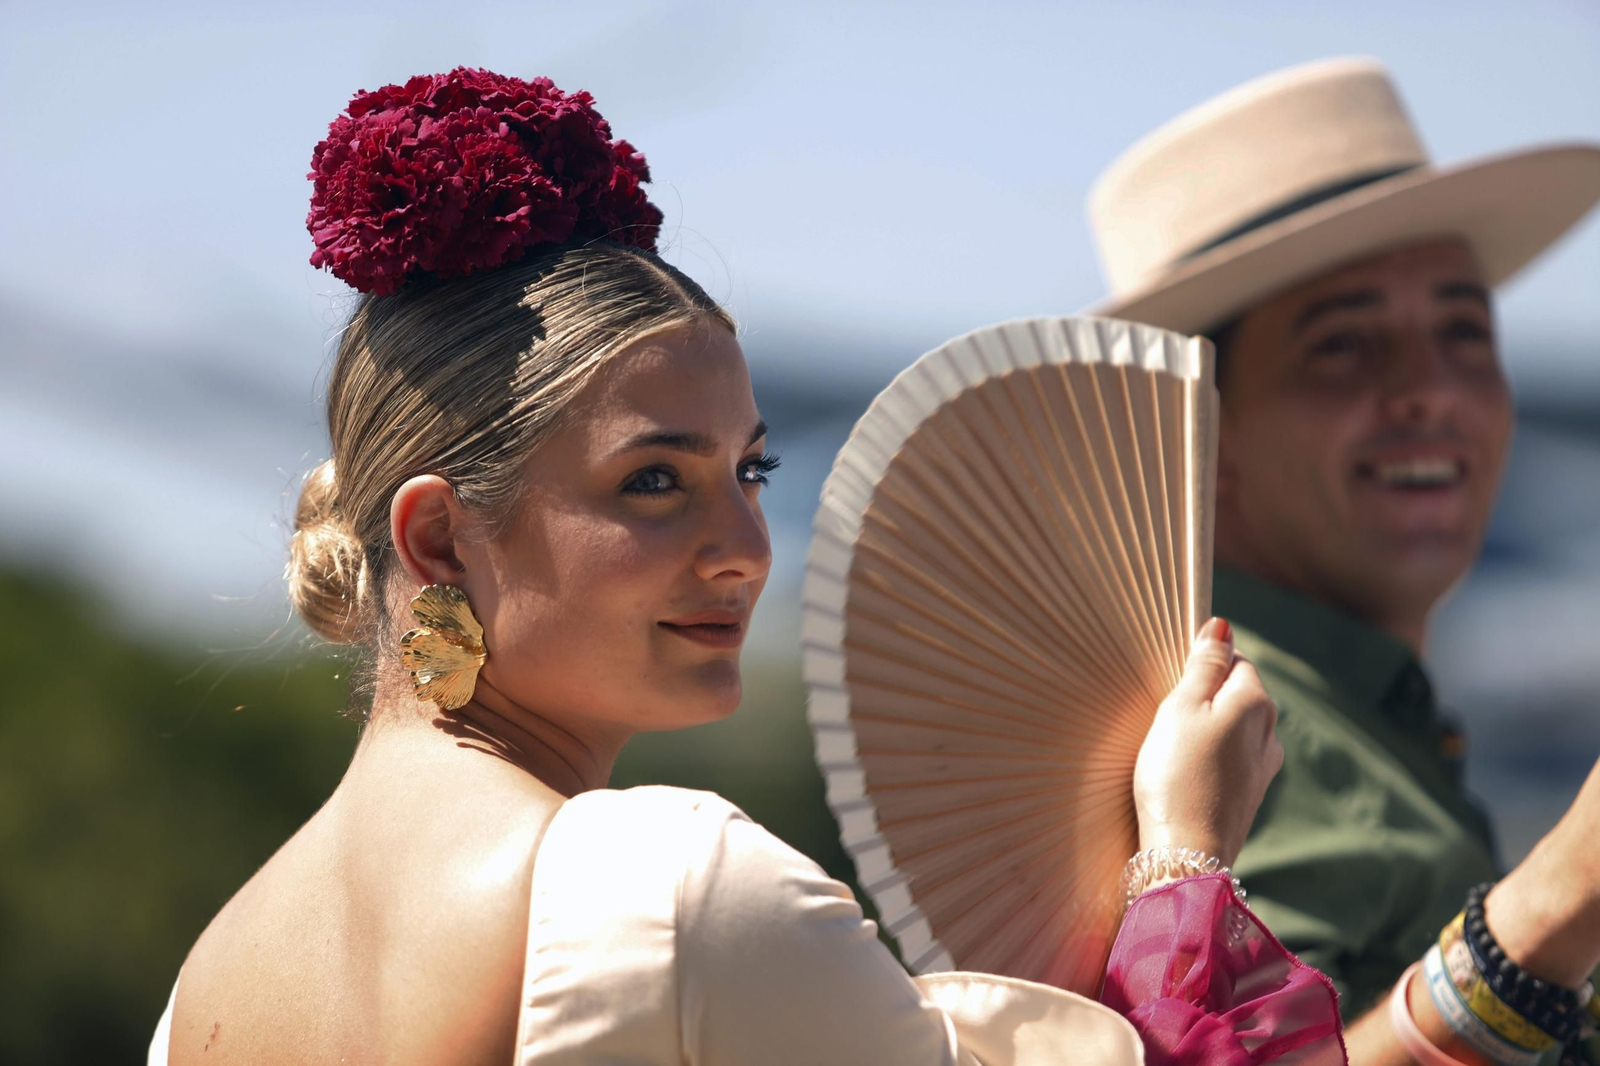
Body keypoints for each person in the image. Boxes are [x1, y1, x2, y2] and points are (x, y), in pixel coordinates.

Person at [148, 68, 1341, 1066]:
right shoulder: (669, 889)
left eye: (750, 474)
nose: (747, 550)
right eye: (655, 482)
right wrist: (1183, 862)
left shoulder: (204, 980)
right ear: (436, 537)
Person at [1084, 56, 1600, 1065]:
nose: (1429, 390)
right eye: (1342, 345)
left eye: (1462, 328)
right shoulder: (1231, 729)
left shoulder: (1338, 703)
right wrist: (1555, 906)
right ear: (1200, 436)